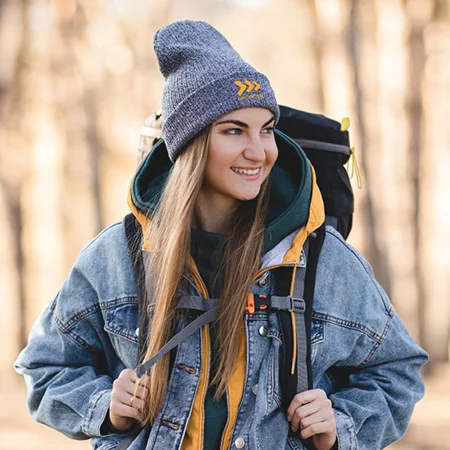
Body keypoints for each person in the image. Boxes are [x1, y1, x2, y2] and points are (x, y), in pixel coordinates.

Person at [14, 20, 427, 450]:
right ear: (190, 145)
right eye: (234, 130)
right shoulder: (118, 254)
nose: (260, 151)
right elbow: (46, 367)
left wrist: (341, 425)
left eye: (266, 129)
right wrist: (104, 407)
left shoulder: (319, 257)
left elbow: (397, 372)